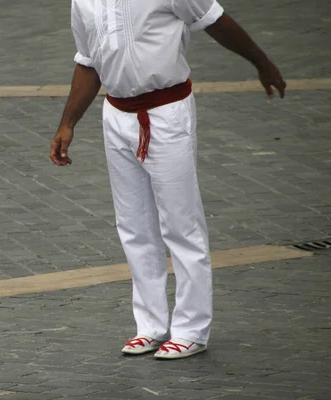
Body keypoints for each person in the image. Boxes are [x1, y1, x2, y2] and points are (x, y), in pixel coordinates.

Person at [50, 0, 286, 360]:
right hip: (116, 116)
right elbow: (88, 61)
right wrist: (68, 123)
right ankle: (150, 325)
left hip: (167, 114)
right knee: (134, 226)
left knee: (181, 226)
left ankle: (191, 330)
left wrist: (262, 62)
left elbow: (214, 19)